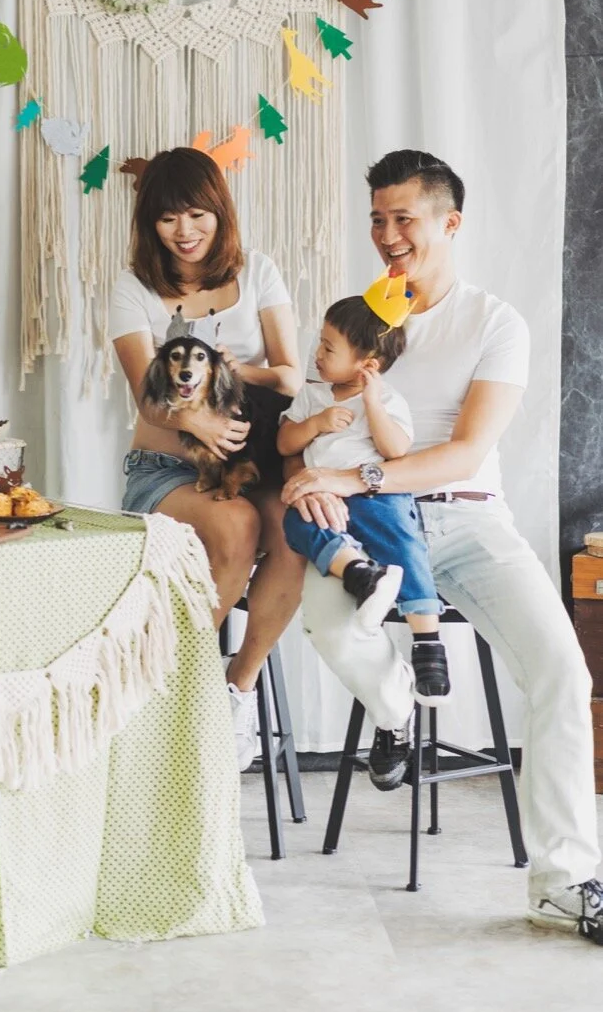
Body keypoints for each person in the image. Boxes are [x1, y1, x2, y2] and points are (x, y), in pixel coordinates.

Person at [281, 149, 602, 941]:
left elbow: (464, 453)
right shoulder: (355, 320)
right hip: (362, 525)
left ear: (449, 222)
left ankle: (565, 881)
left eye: (404, 218)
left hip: (466, 518)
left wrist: (354, 475)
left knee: (562, 671)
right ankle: (396, 712)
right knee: (330, 624)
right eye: (377, 220)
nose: (387, 235)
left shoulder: (494, 322)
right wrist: (308, 482)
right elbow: (305, 424)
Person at [109, 147, 306, 769]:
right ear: (151, 224)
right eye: (168, 218)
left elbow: (291, 377)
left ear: (220, 212)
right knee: (239, 525)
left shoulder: (259, 272)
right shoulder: (133, 288)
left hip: (250, 465)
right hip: (166, 469)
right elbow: (148, 401)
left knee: (297, 530)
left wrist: (230, 372)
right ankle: (166, 692)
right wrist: (196, 418)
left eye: (197, 214)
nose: (185, 231)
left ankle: (234, 691)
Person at [278, 290, 451, 714]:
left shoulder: (387, 401)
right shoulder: (313, 396)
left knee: (402, 541)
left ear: (367, 364)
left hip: (375, 495)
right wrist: (315, 424)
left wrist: (372, 405)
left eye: (328, 348)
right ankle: (359, 573)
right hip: (324, 500)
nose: (317, 354)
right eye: (320, 343)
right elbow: (285, 444)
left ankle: (427, 639)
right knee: (296, 525)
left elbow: (395, 451)